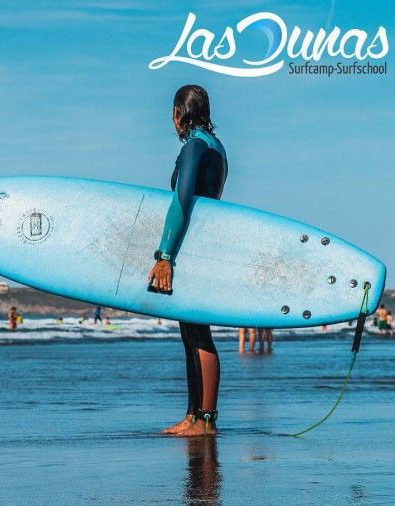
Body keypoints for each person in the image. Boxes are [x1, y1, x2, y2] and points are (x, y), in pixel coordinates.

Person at [149, 85, 227, 437]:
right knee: (190, 333)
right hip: (200, 247)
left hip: (190, 250)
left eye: (173, 111)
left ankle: (206, 420)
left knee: (198, 332)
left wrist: (164, 256)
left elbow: (182, 202)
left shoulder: (195, 146)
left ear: (180, 112)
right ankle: (192, 416)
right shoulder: (214, 146)